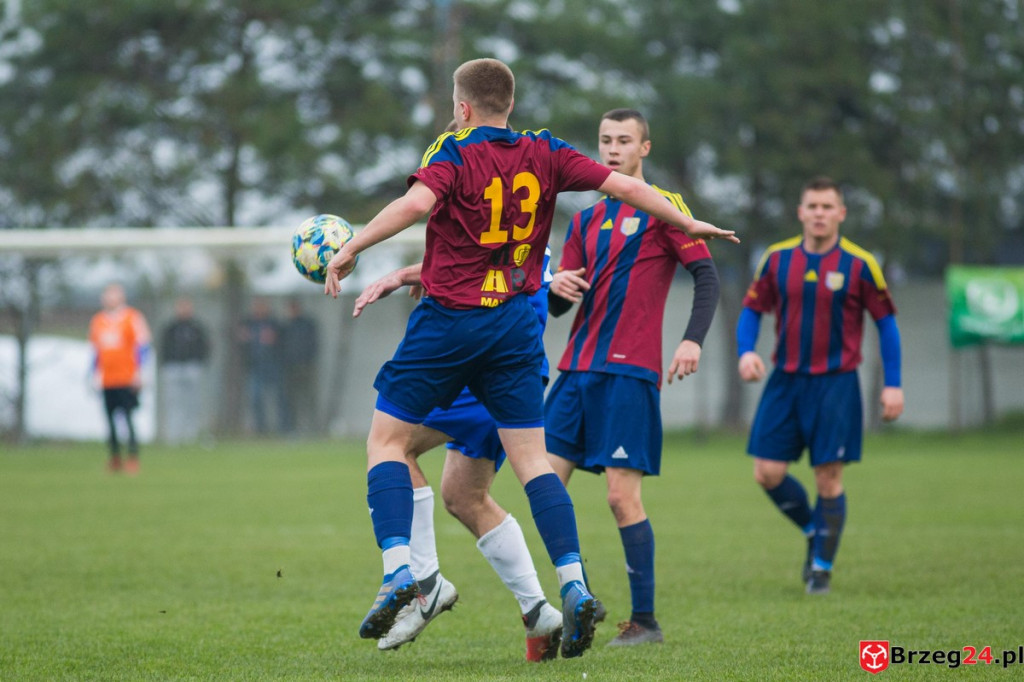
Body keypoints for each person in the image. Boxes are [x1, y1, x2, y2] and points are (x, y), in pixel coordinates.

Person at [323, 57, 737, 658]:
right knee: (533, 465)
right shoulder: (546, 151)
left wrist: (354, 246)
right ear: (511, 105)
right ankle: (569, 584)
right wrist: (690, 221)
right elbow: (627, 187)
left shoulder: (454, 148)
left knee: (387, 442)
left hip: (452, 324)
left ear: (462, 107)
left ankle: (401, 574)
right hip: (516, 330)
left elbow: (415, 206)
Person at [544, 109, 721, 646]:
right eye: (605, 140)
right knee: (543, 486)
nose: (613, 149)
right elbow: (556, 306)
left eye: (624, 140)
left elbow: (707, 275)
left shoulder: (665, 210)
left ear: (644, 147)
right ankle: (580, 601)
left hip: (628, 373)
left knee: (621, 498)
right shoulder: (584, 221)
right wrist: (558, 287)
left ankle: (645, 621)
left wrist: (692, 339)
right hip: (575, 371)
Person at [352, 247, 567, 662]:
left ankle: (427, 584)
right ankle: (538, 610)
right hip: (512, 378)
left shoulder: (490, 211)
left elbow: (474, 265)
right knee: (465, 497)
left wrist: (410, 273)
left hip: (475, 371)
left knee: (394, 445)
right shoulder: (527, 218)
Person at [736, 176, 904, 595]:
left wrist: (893, 384)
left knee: (828, 479)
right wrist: (745, 350)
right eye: (812, 206)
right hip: (785, 381)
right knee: (767, 472)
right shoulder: (776, 260)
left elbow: (886, 325)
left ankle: (821, 569)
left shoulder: (860, 264)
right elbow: (752, 311)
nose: (819, 213)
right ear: (800, 211)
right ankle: (816, 530)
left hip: (836, 385)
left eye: (828, 207)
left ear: (841, 213)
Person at [88, 282, 152, 474]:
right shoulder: (98, 320)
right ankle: (115, 457)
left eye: (114, 295)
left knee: (129, 417)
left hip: (126, 378)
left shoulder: (132, 317)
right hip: (107, 379)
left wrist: (139, 373)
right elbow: (95, 350)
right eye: (107, 295)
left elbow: (143, 346)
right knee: (109, 420)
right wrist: (94, 374)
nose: (110, 299)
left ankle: (133, 457)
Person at [159, 297, 210, 444]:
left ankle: (190, 437)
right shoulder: (170, 328)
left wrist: (200, 362)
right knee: (174, 403)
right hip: (173, 368)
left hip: (192, 368)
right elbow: (163, 346)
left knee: (192, 404)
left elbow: (205, 347)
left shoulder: (197, 327)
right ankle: (174, 437)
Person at [236, 297, 284, 435]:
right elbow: (240, 343)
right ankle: (261, 428)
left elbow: (283, 343)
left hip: (273, 365)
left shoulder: (274, 324)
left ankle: (281, 428)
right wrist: (243, 340)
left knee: (278, 397)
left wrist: (274, 340)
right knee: (255, 398)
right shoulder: (248, 323)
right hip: (255, 366)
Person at [279, 297, 320, 436]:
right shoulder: (285, 327)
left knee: (308, 398)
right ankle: (292, 429)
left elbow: (313, 345)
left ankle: (313, 428)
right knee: (291, 400)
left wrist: (307, 360)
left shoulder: (307, 324)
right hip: (289, 368)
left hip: (305, 367)